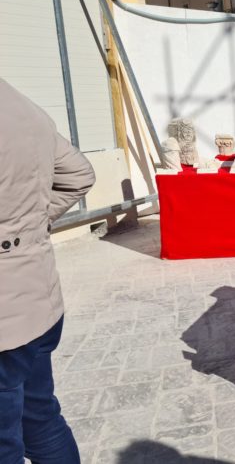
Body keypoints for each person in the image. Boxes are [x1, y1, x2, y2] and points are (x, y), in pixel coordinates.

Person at [1, 78, 96, 462]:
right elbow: (79, 175)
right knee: (41, 418)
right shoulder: (21, 105)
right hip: (39, 302)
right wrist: (28, 228)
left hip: (7, 322)